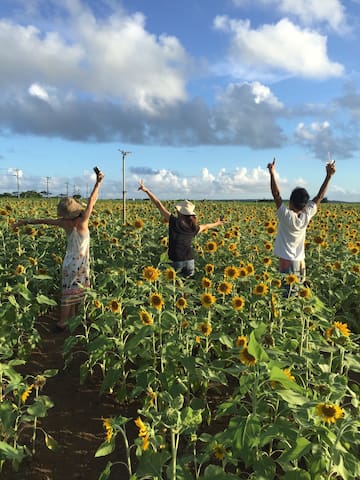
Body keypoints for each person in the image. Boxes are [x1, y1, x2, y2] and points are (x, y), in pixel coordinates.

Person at [13, 169, 104, 331]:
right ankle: (62, 322)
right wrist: (98, 182)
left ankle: (70, 318)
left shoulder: (63, 223)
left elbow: (44, 221)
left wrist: (24, 222)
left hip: (69, 262)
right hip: (80, 263)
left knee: (70, 291)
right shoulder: (83, 221)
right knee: (72, 292)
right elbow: (92, 200)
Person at [267, 158, 336, 296]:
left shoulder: (286, 216)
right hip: (300, 260)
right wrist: (328, 176)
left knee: (286, 292)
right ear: (304, 205)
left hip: (286, 260)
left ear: (291, 202)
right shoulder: (306, 215)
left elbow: (276, 194)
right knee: (298, 291)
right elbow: (319, 196)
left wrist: (272, 173)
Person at [138, 179, 224, 277]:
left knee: (172, 285)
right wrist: (217, 223)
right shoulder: (194, 228)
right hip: (190, 261)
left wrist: (146, 190)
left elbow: (158, 204)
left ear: (180, 213)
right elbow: (206, 226)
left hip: (176, 260)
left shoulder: (174, 222)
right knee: (185, 287)